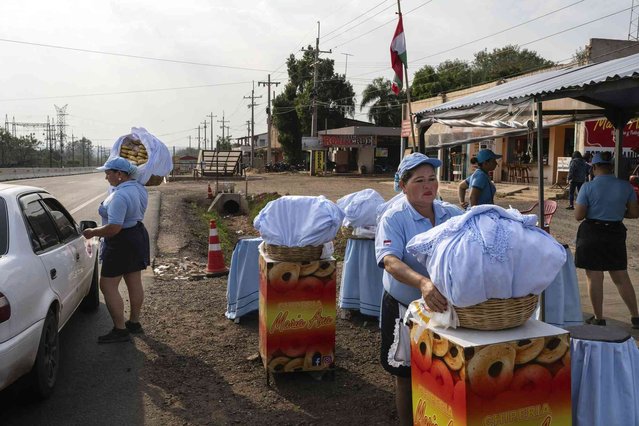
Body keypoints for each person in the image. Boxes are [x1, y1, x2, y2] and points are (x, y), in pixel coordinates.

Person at [376, 153, 463, 425]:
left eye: (432, 179)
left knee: (443, 369)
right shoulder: (394, 218)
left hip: (443, 308)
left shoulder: (452, 214)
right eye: (419, 180)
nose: (429, 186)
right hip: (405, 306)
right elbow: (389, 260)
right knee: (405, 374)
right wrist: (423, 283)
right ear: (403, 186)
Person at [83, 157, 150, 343]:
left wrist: (92, 232)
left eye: (108, 173)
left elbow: (114, 228)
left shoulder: (119, 196)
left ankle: (120, 330)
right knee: (133, 280)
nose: (106, 177)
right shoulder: (138, 189)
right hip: (136, 234)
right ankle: (134, 322)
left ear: (119, 174)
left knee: (107, 285)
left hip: (121, 241)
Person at [574, 151, 639, 329]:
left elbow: (578, 215)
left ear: (594, 167)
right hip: (615, 232)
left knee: (594, 277)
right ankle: (635, 317)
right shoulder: (625, 186)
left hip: (592, 232)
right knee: (620, 276)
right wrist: (617, 212)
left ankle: (599, 317)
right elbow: (634, 213)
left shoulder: (587, 187)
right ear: (610, 166)